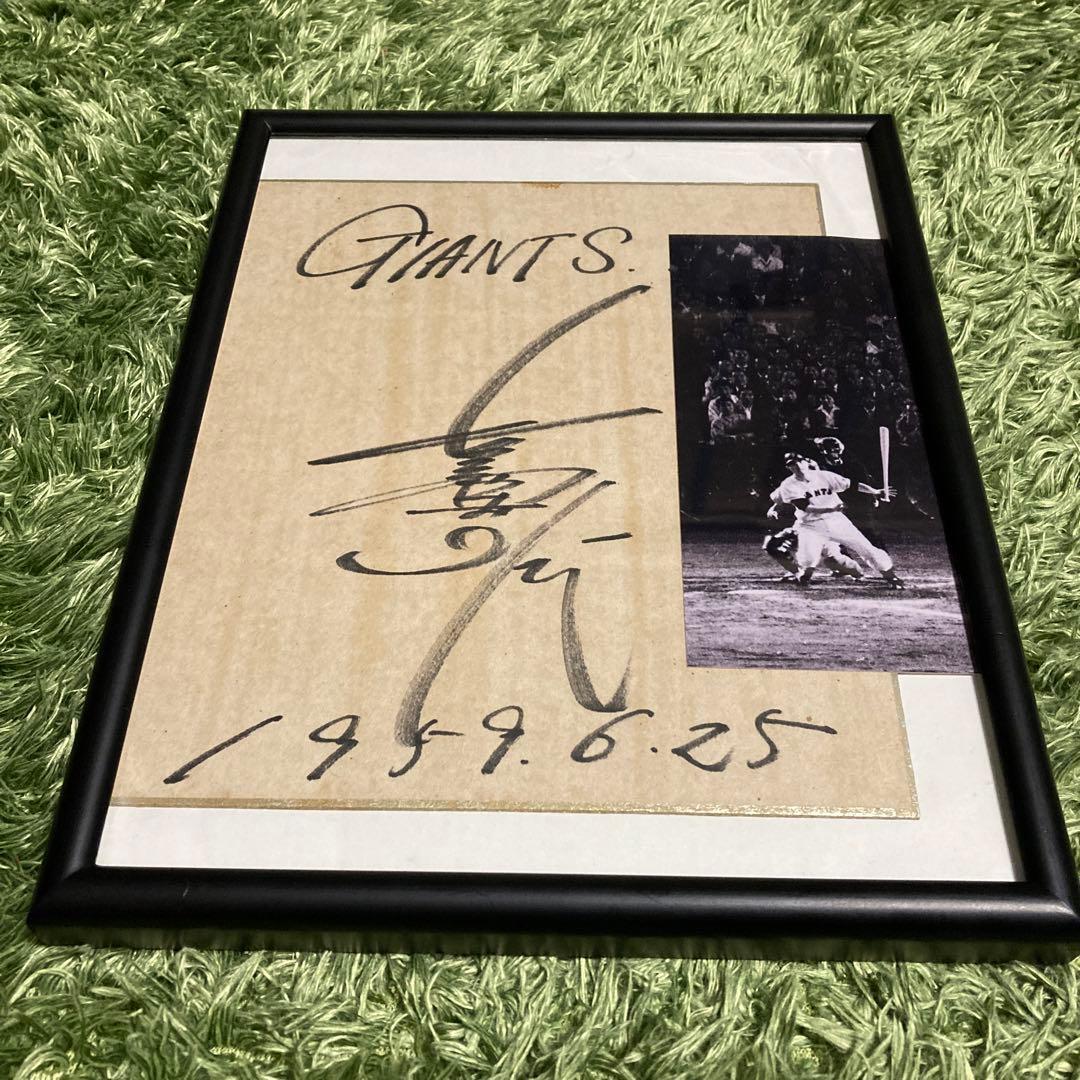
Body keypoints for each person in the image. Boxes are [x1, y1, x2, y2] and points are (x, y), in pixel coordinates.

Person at [766, 452, 905, 588]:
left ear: (806, 462)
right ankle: (803, 576)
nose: (797, 465)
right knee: (808, 559)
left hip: (836, 521)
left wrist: (875, 491)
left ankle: (891, 576)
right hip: (810, 525)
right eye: (792, 464)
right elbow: (805, 507)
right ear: (789, 467)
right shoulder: (788, 485)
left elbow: (852, 484)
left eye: (799, 461)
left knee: (865, 547)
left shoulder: (824, 476)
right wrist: (831, 508)